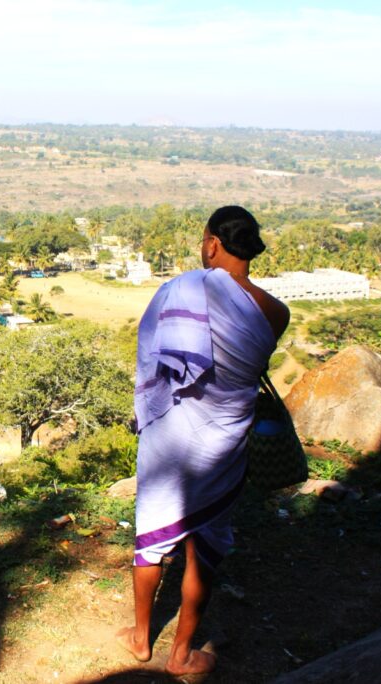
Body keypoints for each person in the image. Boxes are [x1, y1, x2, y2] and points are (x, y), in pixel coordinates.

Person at [117, 206, 289, 675]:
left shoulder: (181, 291)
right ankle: (181, 653)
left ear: (212, 243)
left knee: (152, 535)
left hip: (171, 432)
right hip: (226, 436)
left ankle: (139, 637)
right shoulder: (276, 312)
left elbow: (155, 353)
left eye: (203, 239)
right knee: (206, 540)